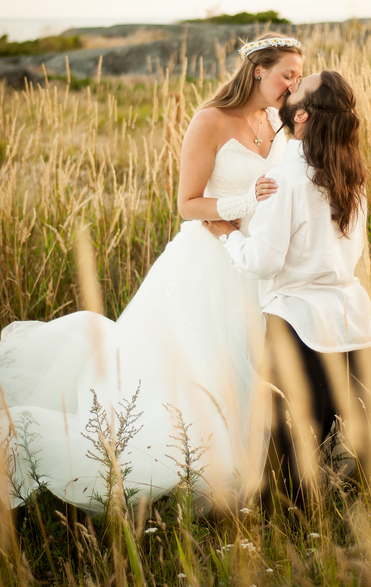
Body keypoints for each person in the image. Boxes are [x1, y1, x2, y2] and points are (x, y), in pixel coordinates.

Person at [0, 34, 303, 512]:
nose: (294, 84)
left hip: (261, 259)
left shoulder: (277, 121)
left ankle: (275, 449)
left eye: (299, 76)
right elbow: (187, 202)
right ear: (259, 71)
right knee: (205, 357)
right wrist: (248, 203)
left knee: (261, 354)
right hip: (210, 257)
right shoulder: (210, 120)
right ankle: (208, 457)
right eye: (288, 73)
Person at [204, 70, 371, 504]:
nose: (290, 86)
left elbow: (263, 261)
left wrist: (225, 232)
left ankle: (286, 526)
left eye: (297, 89)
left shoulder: (286, 179)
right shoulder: (351, 172)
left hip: (296, 322)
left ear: (300, 114)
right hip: (349, 317)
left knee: (289, 447)